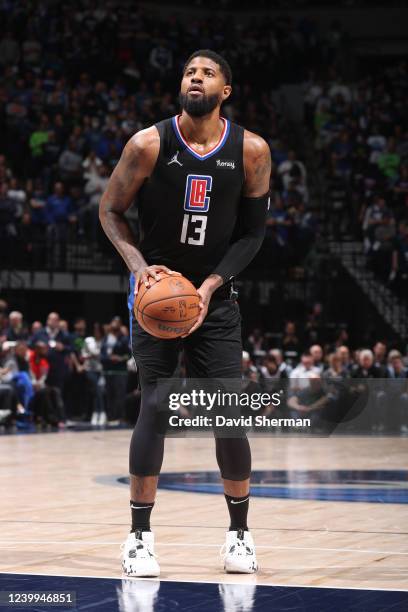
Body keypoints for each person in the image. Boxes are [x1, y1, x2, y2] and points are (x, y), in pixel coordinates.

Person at [99, 49, 270, 577]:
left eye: (208, 73)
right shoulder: (148, 144)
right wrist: (138, 268)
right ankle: (139, 538)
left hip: (214, 301)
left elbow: (253, 233)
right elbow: (110, 210)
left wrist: (210, 286)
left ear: (226, 90)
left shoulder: (252, 151)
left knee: (228, 417)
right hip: (158, 299)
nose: (195, 78)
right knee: (155, 407)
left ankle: (239, 535)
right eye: (189, 72)